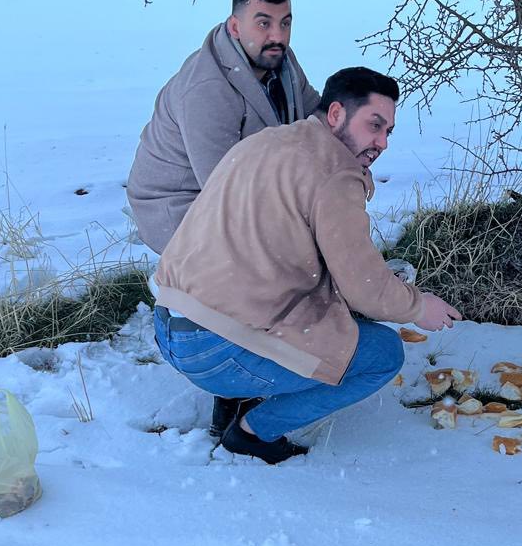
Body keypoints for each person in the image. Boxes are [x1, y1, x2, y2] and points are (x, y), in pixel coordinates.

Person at [152, 67, 462, 462]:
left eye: (388, 132)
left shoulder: (266, 141)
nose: (381, 142)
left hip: (169, 323)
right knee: (383, 354)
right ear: (335, 115)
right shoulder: (334, 172)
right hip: (214, 349)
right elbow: (365, 288)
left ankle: (234, 397)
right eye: (374, 125)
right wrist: (419, 306)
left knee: (305, 312)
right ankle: (253, 433)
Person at [126, 0, 321, 257]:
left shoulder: (280, 58)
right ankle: (176, 296)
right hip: (181, 207)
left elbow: (315, 119)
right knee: (278, 265)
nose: (277, 36)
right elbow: (224, 189)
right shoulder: (207, 89)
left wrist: (349, 155)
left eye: (285, 23)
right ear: (235, 27)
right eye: (263, 23)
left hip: (244, 189)